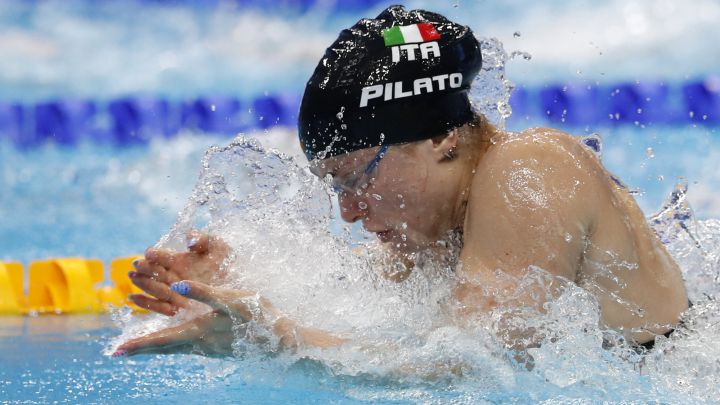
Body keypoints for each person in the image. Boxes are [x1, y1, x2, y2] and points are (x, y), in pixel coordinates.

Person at [113, 5, 689, 359]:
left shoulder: (528, 170)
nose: (350, 213)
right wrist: (236, 289)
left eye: (355, 178)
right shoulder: (436, 232)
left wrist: (279, 332)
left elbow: (470, 364)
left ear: (440, 136)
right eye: (333, 189)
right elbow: (365, 325)